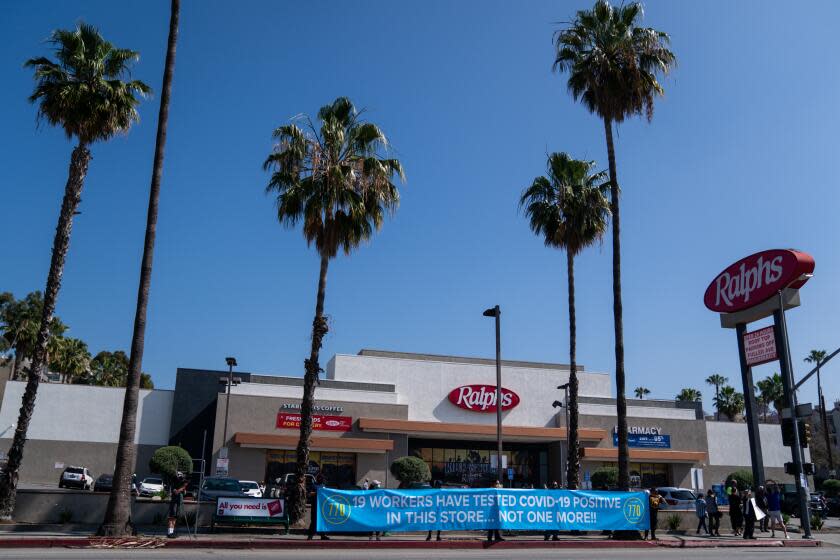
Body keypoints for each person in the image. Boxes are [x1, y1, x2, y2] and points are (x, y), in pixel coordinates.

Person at [307, 473, 329, 541]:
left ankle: (323, 535)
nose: (321, 479)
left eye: (322, 478)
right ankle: (310, 536)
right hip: (315, 506)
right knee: (314, 521)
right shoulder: (314, 486)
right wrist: (317, 493)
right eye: (320, 478)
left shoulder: (324, 486)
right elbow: (309, 494)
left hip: (322, 506)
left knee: (322, 520)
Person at [166, 471, 189, 539]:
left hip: (179, 502)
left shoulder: (182, 484)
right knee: (171, 517)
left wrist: (182, 489)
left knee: (175, 518)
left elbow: (184, 491)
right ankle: (169, 532)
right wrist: (180, 489)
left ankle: (171, 532)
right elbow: (175, 491)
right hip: (174, 503)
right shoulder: (174, 483)